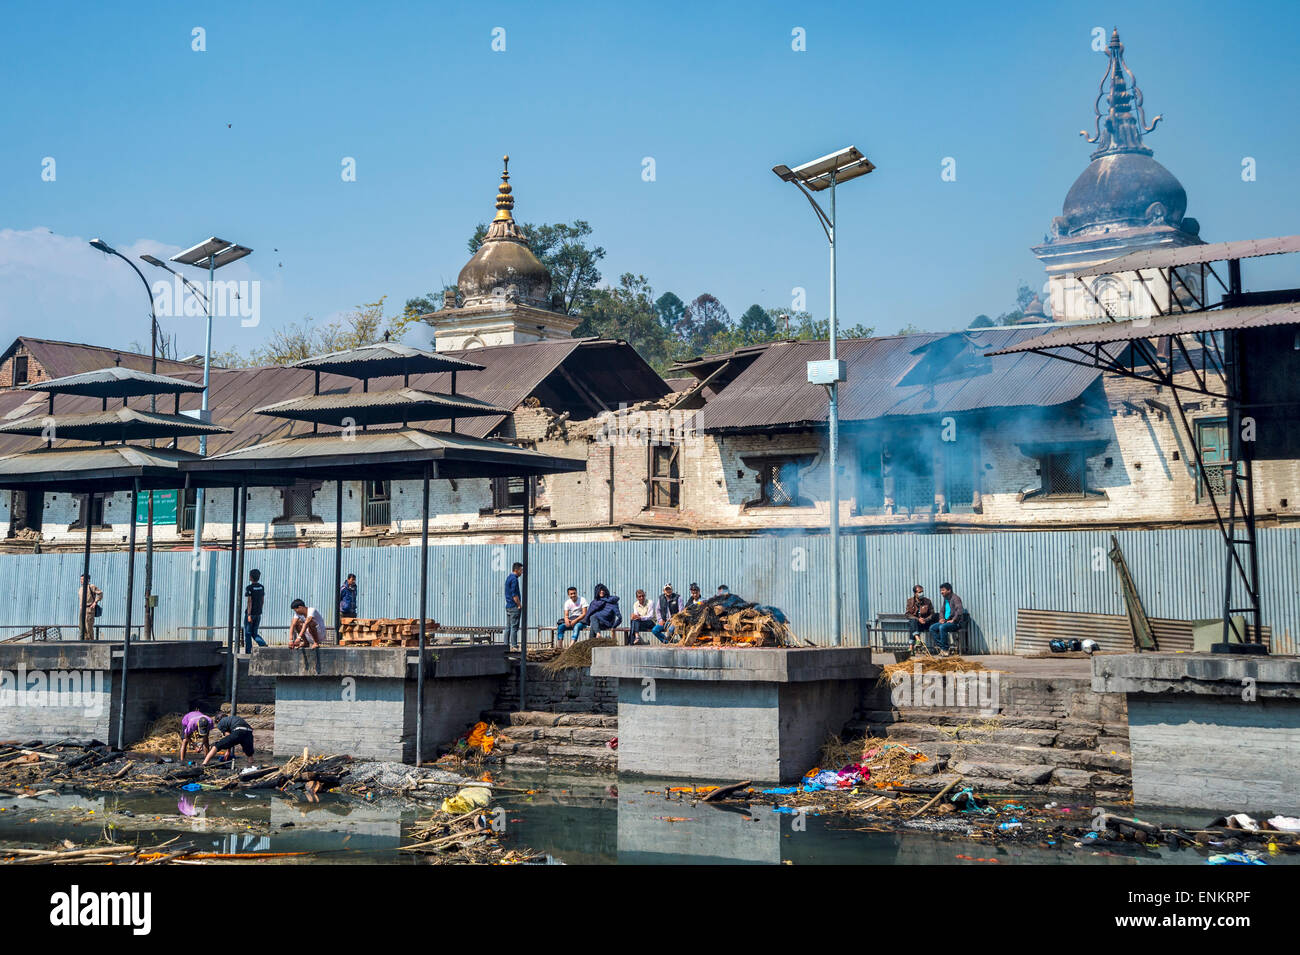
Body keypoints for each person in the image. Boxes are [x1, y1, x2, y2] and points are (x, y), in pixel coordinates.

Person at [928, 583, 965, 656]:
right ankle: (943, 647)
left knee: (942, 627)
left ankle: (945, 650)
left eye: (943, 590)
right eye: (941, 590)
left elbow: (959, 611)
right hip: (946, 621)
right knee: (932, 628)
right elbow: (942, 611)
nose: (941, 592)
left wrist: (953, 620)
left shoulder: (955, 598)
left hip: (956, 623)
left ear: (949, 590)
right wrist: (941, 618)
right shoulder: (946, 599)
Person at [244, 569, 267, 653]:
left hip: (251, 613)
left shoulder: (249, 588)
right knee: (254, 633)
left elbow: (249, 601)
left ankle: (248, 652)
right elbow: (262, 600)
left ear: (250, 577)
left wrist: (249, 615)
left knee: (248, 633)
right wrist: (259, 610)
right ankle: (263, 644)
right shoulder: (261, 587)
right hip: (258, 613)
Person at [504, 562, 523, 650]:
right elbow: (514, 594)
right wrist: (519, 605)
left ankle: (505, 645)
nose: (522, 572)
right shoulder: (514, 579)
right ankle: (514, 646)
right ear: (516, 570)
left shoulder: (508, 578)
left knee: (508, 627)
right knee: (514, 627)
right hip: (514, 606)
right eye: (521, 570)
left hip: (508, 606)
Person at [78, 574, 102, 641]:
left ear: (88, 580)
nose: (81, 581)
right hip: (82, 609)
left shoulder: (91, 587)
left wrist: (95, 602)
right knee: (81, 626)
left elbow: (100, 593)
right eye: (81, 579)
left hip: (89, 608)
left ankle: (91, 641)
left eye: (83, 579)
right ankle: (84, 640)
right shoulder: (81, 589)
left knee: (88, 625)